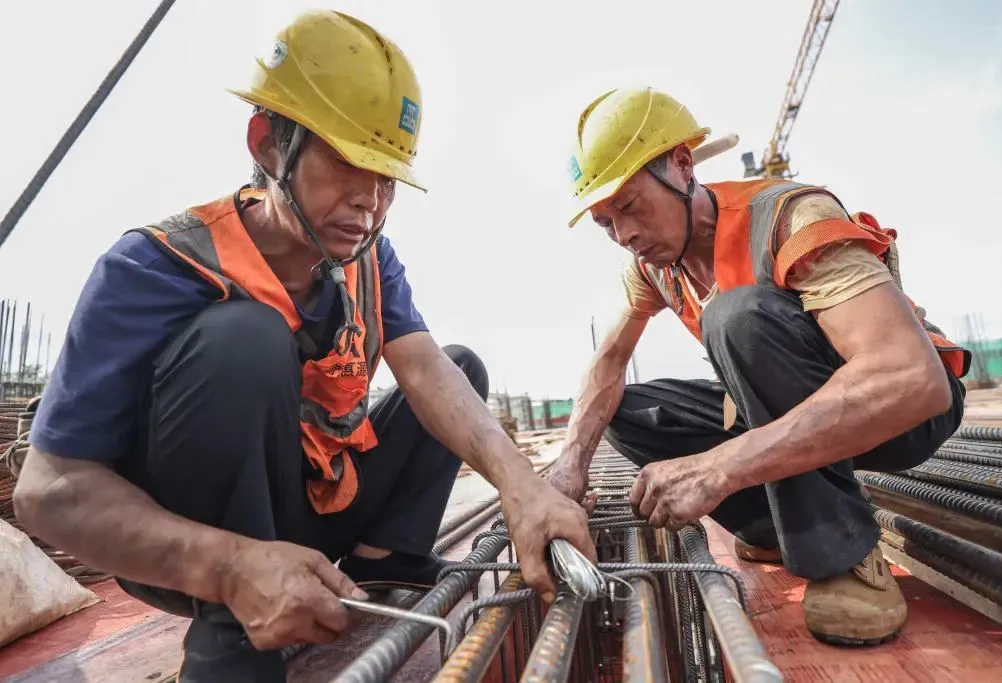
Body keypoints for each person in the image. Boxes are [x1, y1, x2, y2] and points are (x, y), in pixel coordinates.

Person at [11, 11, 594, 682]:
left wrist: (523, 487)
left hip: (314, 511)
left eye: (386, 179)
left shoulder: (369, 260)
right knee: (244, 337)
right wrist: (229, 565)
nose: (370, 205)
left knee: (459, 366)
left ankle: (385, 556)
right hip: (201, 547)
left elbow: (427, 370)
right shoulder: (154, 267)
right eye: (349, 165)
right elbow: (48, 491)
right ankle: (234, 630)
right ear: (267, 142)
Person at [545, 86, 969, 647]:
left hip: (905, 412)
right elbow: (608, 365)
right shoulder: (652, 265)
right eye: (605, 223)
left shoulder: (792, 218)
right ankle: (774, 524)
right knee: (627, 410)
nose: (624, 236)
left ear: (681, 165)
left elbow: (912, 380)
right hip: (801, 404)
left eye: (628, 206)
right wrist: (571, 463)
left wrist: (719, 468)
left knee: (735, 317)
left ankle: (841, 554)